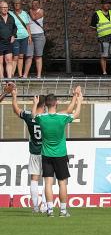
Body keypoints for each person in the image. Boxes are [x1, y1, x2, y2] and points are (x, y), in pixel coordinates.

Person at [34, 87, 84, 216]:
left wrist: (34, 104)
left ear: (45, 104)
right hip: (60, 155)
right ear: (56, 103)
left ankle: (50, 210)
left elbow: (34, 115)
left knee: (48, 183)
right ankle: (62, 210)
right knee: (62, 183)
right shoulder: (62, 118)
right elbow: (75, 113)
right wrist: (79, 100)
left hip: (46, 155)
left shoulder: (42, 118)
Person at [9, 84, 44, 213]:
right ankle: (45, 205)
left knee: (34, 180)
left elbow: (16, 109)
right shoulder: (47, 118)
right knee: (48, 180)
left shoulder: (29, 116)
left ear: (35, 102)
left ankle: (35, 207)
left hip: (34, 153)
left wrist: (14, 96)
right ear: (44, 106)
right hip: (46, 152)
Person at [90, 0, 111, 76]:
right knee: (104, 56)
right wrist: (101, 32)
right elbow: (93, 27)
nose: (107, 5)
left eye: (109, 3)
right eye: (106, 3)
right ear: (102, 4)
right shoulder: (96, 14)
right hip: (103, 38)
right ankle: (104, 72)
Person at [23, 0, 45, 78]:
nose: (35, 5)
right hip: (30, 35)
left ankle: (38, 75)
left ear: (39, 4)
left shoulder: (41, 11)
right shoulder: (27, 13)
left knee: (38, 56)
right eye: (33, 3)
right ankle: (25, 75)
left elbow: (34, 17)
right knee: (29, 56)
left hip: (39, 35)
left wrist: (30, 10)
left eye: (36, 3)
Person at [9, 0, 31, 78]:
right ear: (13, 5)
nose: (17, 5)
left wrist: (30, 36)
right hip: (15, 38)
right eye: (15, 3)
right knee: (15, 56)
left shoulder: (25, 13)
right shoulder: (10, 13)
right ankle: (11, 75)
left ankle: (20, 74)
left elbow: (28, 25)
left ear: (21, 4)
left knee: (21, 56)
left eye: (18, 3)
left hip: (24, 37)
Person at [0, 2, 18, 78]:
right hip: (0, 42)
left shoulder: (11, 17)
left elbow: (15, 27)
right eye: (3, 7)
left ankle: (9, 80)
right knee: (0, 62)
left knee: (9, 60)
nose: (5, 9)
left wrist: (13, 35)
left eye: (6, 7)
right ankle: (2, 80)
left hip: (8, 42)